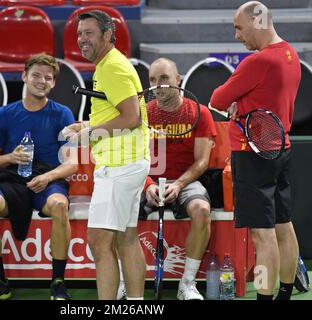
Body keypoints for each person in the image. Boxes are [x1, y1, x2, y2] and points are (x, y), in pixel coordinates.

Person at [210, 1, 300, 300]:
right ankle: (284, 294)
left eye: (239, 27)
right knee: (283, 226)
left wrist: (237, 102)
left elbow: (218, 99)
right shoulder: (290, 55)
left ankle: (263, 297)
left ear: (256, 22)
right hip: (280, 150)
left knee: (263, 236)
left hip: (252, 155)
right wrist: (244, 101)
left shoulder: (257, 62)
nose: (237, 36)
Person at [64, 10, 150, 300]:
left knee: (99, 243)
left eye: (88, 33)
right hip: (127, 161)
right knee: (126, 239)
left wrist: (89, 135)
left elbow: (131, 118)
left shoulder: (112, 66)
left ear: (107, 34)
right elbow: (116, 113)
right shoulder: (107, 65)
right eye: (79, 34)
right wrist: (86, 125)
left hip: (119, 165)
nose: (82, 39)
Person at [0, 54, 78, 300]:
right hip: (11, 178)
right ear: (24, 76)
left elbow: (72, 163)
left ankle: (58, 282)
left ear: (53, 83)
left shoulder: (62, 114)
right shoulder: (4, 113)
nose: (42, 81)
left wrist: (48, 178)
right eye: (36, 75)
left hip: (47, 179)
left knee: (59, 206)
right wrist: (9, 158)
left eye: (48, 77)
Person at [140, 58, 217, 300]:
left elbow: (202, 161)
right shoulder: (142, 112)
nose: (158, 86)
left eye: (164, 79)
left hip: (185, 180)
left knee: (202, 209)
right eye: (153, 80)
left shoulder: (199, 113)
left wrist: (179, 184)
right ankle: (125, 282)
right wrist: (149, 184)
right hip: (149, 179)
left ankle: (187, 283)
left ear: (178, 81)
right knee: (122, 209)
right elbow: (133, 157)